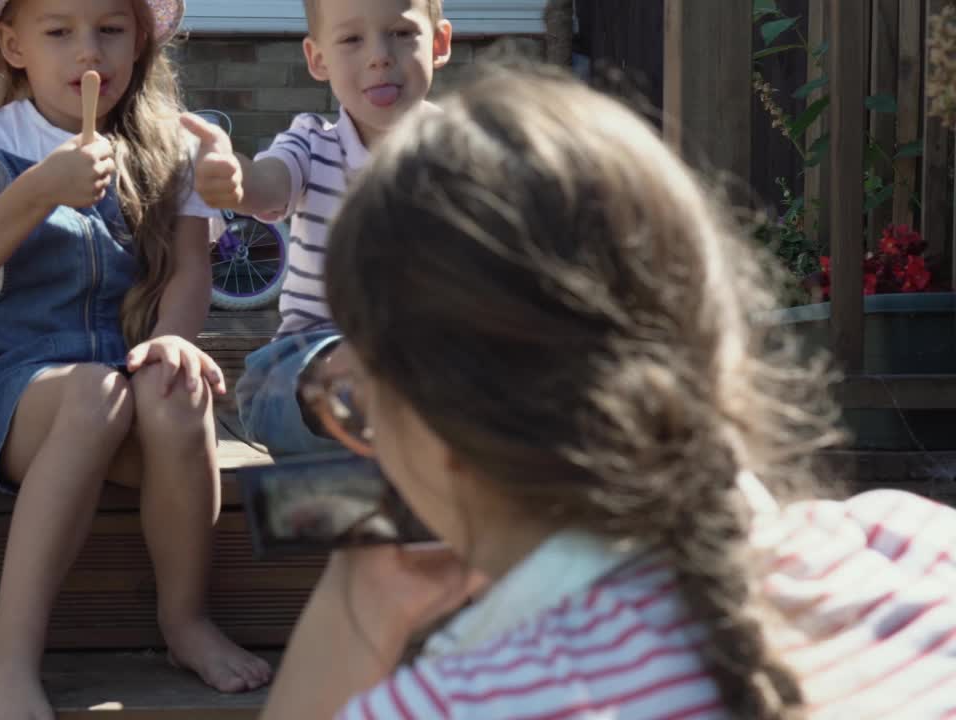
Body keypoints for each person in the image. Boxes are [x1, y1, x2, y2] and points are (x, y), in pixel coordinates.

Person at [262, 64, 956, 719]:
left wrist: (355, 611)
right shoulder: (915, 545)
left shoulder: (453, 706)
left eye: (354, 406)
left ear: (434, 429)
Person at [0, 0, 272, 716]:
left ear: (141, 38)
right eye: (59, 32)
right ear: (14, 44)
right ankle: (8, 652)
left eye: (111, 28)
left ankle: (184, 620)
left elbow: (188, 271)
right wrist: (37, 189)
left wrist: (175, 337)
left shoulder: (166, 146)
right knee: (94, 396)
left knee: (176, 393)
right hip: (18, 390)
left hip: (126, 379)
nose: (90, 52)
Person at [181, 0, 453, 455]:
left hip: (433, 365)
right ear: (317, 59)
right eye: (352, 39)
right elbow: (268, 184)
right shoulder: (310, 143)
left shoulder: (468, 152)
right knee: (379, 376)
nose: (379, 56)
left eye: (402, 34)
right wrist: (234, 177)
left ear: (440, 43)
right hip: (303, 370)